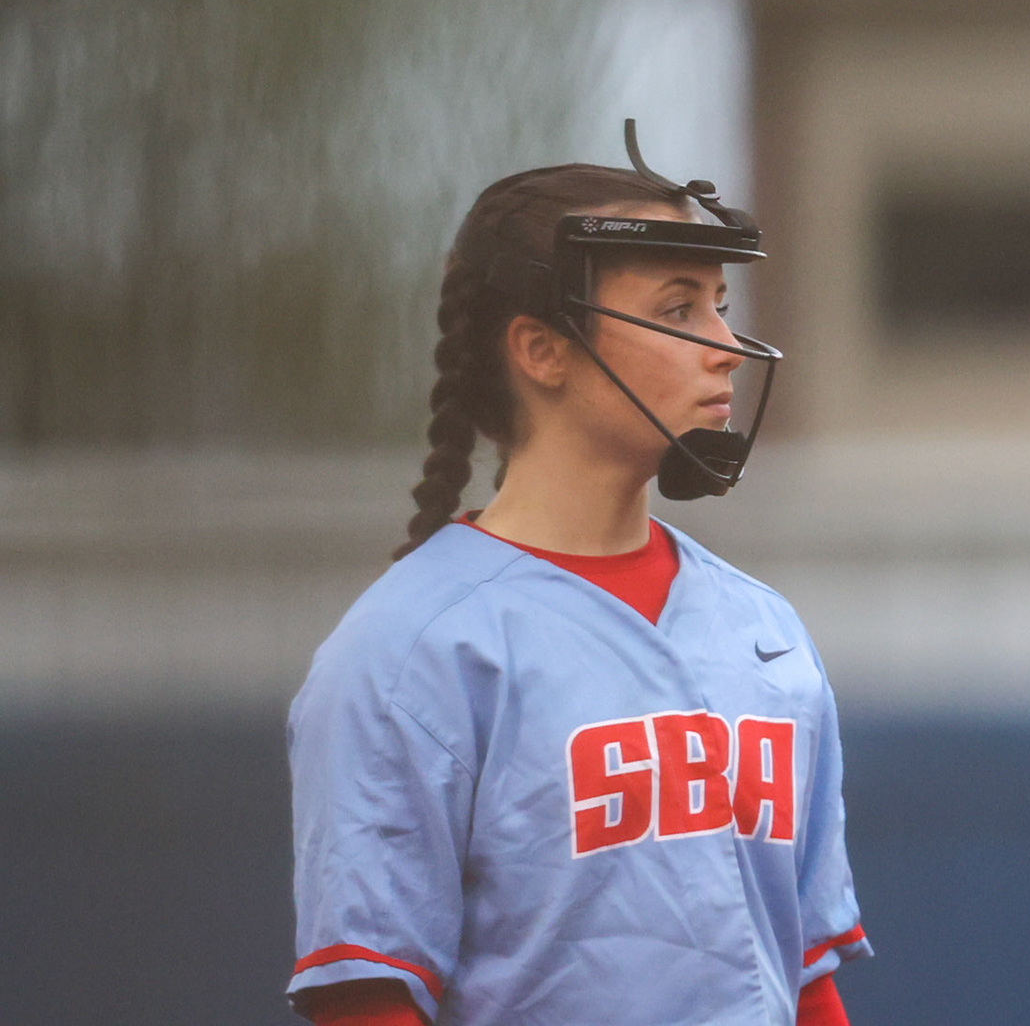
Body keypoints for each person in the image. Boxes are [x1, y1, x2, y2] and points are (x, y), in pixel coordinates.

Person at [285, 132, 869, 1026]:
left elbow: (808, 979)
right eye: (678, 311)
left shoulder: (767, 630)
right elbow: (368, 997)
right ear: (542, 350)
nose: (725, 347)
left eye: (719, 306)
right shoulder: (407, 653)